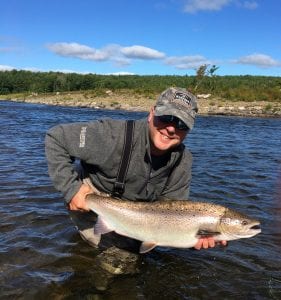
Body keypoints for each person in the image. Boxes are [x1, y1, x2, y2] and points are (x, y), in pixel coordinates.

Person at [45, 87, 227, 251]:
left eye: (181, 124)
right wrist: (72, 189)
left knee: (137, 256)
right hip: (91, 200)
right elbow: (56, 138)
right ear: (151, 114)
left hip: (141, 216)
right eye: (167, 118)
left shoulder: (183, 161)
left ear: (188, 130)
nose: (171, 128)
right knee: (118, 268)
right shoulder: (112, 135)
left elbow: (172, 212)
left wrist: (192, 239)